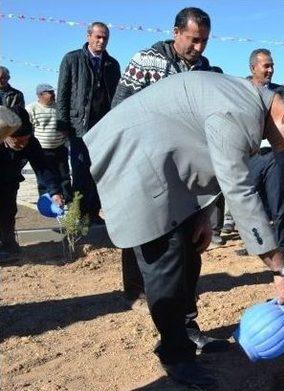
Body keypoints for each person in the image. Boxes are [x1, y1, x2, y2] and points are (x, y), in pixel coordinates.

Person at [84, 72, 284, 389]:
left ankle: (187, 330)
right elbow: (239, 190)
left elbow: (214, 163)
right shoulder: (238, 113)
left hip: (165, 164)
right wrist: (281, 270)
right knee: (165, 258)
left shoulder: (250, 106)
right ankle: (175, 354)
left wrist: (201, 213)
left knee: (188, 248)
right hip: (136, 159)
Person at [112, 8, 224, 326]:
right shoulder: (147, 61)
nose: (199, 48)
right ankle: (137, 291)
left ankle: (185, 313)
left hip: (185, 167)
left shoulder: (204, 69)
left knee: (187, 240)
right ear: (176, 32)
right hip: (146, 162)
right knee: (143, 233)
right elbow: (119, 109)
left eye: (204, 41)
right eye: (193, 40)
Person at [56, 22, 121, 223]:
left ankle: (94, 212)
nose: (101, 41)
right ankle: (79, 213)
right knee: (80, 170)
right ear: (88, 36)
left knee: (100, 169)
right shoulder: (72, 59)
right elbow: (63, 92)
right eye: (98, 37)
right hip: (78, 127)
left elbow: (117, 96)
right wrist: (63, 125)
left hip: (103, 126)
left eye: (105, 38)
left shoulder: (112, 64)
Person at [0, 106, 63, 263]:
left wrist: (54, 192)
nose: (23, 144)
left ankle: (9, 246)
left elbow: (43, 168)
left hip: (10, 182)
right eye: (18, 140)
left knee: (8, 213)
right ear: (7, 135)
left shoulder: (30, 144)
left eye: (26, 139)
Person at [246, 48, 284, 253]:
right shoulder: (242, 92)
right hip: (252, 156)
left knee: (278, 203)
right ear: (253, 67)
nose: (270, 69)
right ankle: (256, 244)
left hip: (276, 154)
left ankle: (281, 245)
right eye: (266, 66)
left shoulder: (281, 93)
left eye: (272, 65)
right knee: (251, 203)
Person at [25, 84, 71, 202]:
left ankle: (67, 200)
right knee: (44, 178)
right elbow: (27, 128)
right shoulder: (31, 108)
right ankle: (47, 202)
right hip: (42, 150)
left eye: (53, 92)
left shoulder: (59, 107)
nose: (53, 95)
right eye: (50, 93)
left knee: (64, 176)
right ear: (40, 95)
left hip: (60, 147)